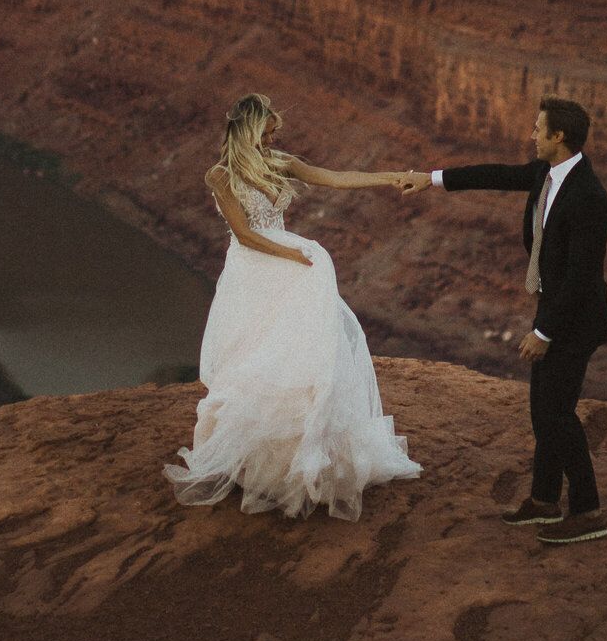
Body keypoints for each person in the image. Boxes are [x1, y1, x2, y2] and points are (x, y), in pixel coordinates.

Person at [165, 92, 421, 521]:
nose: (271, 142)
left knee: (303, 358)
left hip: (291, 259)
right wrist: (294, 258)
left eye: (274, 135)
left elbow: (336, 178)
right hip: (255, 271)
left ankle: (300, 460)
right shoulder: (220, 175)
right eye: (267, 135)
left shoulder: (280, 162)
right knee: (255, 361)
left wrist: (395, 175)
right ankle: (255, 461)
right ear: (249, 132)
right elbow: (244, 235)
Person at [400, 97, 607, 544]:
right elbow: (496, 174)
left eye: (538, 129)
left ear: (559, 137)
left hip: (574, 320)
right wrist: (431, 180)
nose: (531, 135)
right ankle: (543, 500)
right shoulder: (547, 174)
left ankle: (589, 510)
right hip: (554, 308)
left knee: (556, 413)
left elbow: (581, 278)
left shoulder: (590, 198)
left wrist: (543, 332)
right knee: (544, 411)